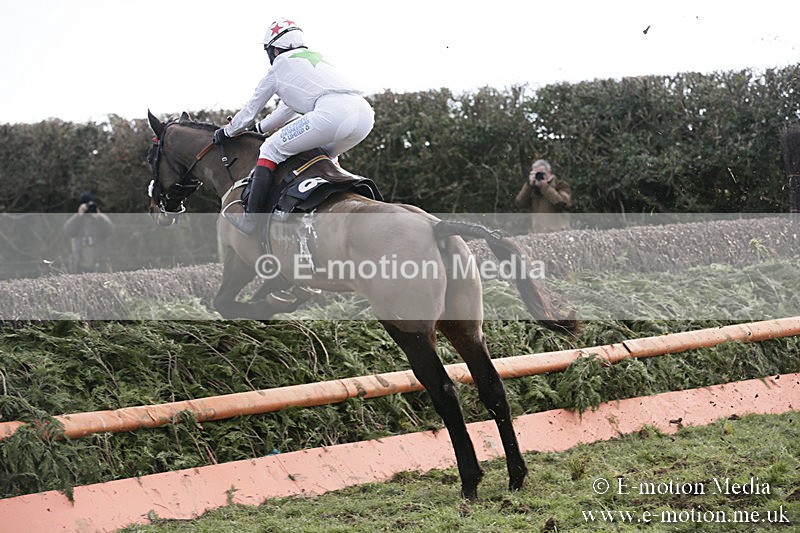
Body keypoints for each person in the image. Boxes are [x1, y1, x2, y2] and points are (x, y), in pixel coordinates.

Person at [212, 18, 375, 236]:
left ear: (274, 49)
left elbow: (250, 110)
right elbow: (287, 109)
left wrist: (226, 132)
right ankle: (340, 193)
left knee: (270, 149)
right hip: (364, 115)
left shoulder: (280, 66)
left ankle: (252, 220)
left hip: (331, 114)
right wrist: (259, 129)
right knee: (323, 153)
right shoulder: (314, 59)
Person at [514, 159, 572, 233]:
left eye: (541, 173)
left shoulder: (560, 185)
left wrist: (544, 186)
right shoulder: (533, 189)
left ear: (549, 172)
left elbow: (561, 203)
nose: (539, 176)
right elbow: (519, 203)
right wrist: (529, 186)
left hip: (558, 232)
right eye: (536, 174)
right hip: (538, 232)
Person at [63, 192, 114, 274]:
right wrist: (79, 215)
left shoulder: (99, 219)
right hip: (80, 263)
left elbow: (109, 230)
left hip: (98, 263)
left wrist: (98, 216)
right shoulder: (78, 220)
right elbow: (68, 231)